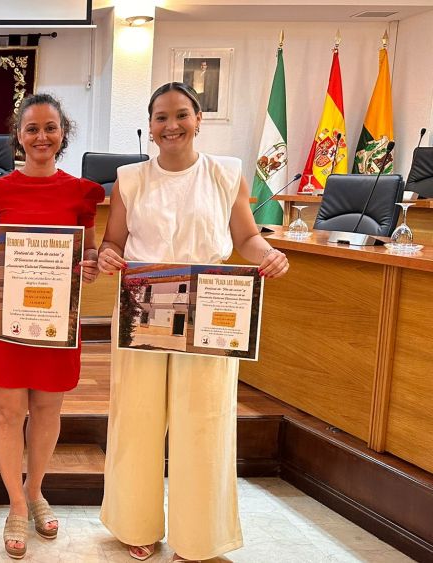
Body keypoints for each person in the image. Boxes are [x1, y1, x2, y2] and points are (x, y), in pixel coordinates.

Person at [97, 82, 289, 562]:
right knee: (136, 417)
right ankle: (135, 522)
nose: (172, 125)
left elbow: (246, 237)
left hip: (208, 310)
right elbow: (113, 241)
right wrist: (106, 256)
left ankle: (198, 538)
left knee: (204, 421)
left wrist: (269, 254)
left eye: (181, 114)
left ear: (199, 119)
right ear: (150, 126)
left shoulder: (226, 173)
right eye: (161, 117)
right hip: (143, 306)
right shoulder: (130, 179)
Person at [0, 93, 104, 559]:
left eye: (50, 127)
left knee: (48, 409)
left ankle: (35, 490)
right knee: (8, 413)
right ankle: (14, 502)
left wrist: (90, 262)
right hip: (7, 317)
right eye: (32, 128)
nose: (41, 136)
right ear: (18, 135)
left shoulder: (82, 193)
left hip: (55, 318)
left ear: (63, 133)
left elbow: (89, 248)